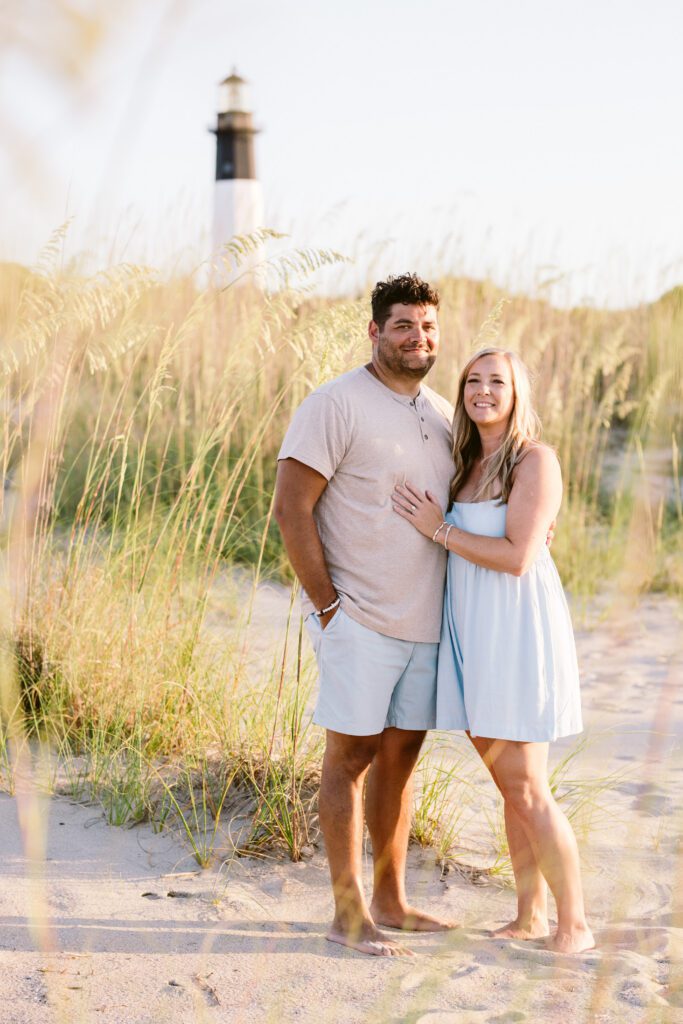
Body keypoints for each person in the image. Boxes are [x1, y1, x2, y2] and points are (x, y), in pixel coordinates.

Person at [274, 274, 458, 957]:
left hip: (424, 624)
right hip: (358, 619)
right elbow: (291, 508)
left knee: (400, 762)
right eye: (404, 325)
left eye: (429, 327)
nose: (418, 337)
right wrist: (328, 608)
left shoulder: (439, 411)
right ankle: (347, 913)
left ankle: (392, 900)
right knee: (348, 758)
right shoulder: (333, 404)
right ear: (374, 331)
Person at [392, 346, 595, 955]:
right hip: (474, 637)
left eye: (496, 381)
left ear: (516, 393)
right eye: (473, 381)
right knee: (511, 788)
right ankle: (529, 916)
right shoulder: (465, 465)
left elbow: (518, 557)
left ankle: (575, 925)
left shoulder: (535, 461)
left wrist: (440, 530)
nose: (483, 390)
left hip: (515, 634)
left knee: (529, 786)